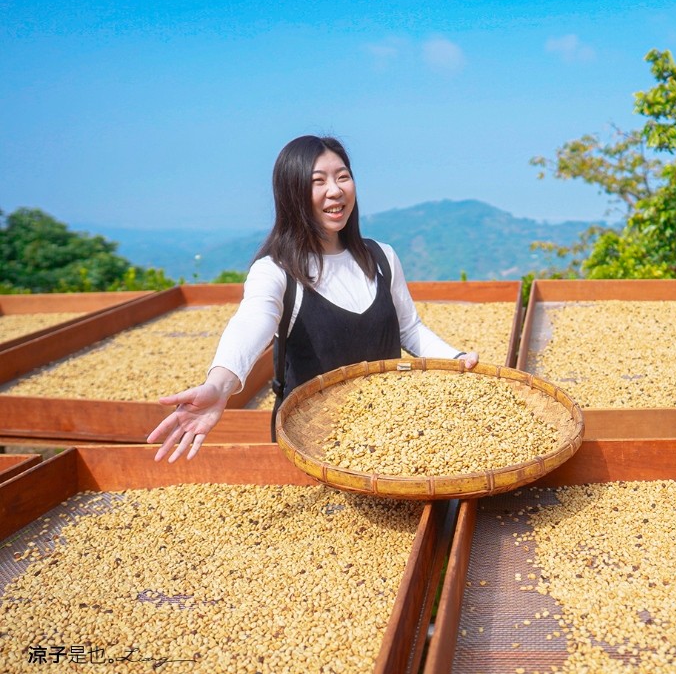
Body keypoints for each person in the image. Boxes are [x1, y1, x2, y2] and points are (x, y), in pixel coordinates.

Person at [146, 135, 478, 462]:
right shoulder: (276, 270)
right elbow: (250, 323)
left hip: (385, 442)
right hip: (311, 444)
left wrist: (457, 357)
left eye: (343, 176)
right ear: (292, 194)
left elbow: (410, 329)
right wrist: (219, 386)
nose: (335, 190)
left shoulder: (382, 258)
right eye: (317, 181)